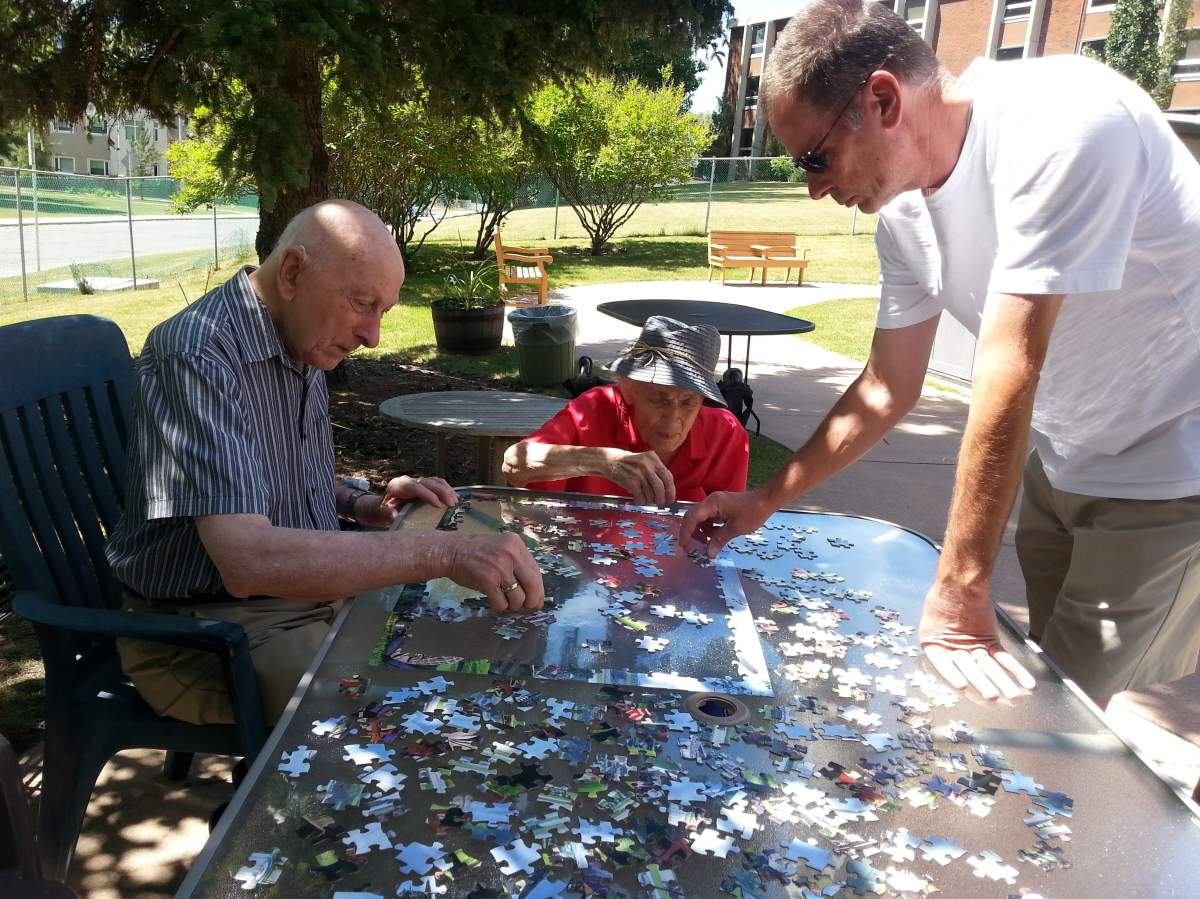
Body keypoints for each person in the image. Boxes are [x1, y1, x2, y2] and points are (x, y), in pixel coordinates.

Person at [681, 0, 1200, 706]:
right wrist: (764, 500)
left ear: (884, 99)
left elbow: (1009, 365)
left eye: (816, 156)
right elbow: (887, 386)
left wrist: (959, 585)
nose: (813, 187)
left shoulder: (1066, 120)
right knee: (1039, 684)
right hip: (1067, 456)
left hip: (1175, 461)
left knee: (1059, 721)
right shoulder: (900, 207)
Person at [106, 200, 545, 726]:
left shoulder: (300, 335)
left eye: (383, 312)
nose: (373, 335)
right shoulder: (198, 353)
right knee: (414, 719)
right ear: (292, 272)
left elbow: (264, 474)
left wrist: (364, 504)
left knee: (484, 659)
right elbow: (248, 562)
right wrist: (444, 552)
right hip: (205, 634)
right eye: (363, 303)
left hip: (304, 603)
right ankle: (293, 811)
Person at [503, 315, 749, 505]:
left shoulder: (726, 434)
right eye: (659, 399)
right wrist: (605, 462)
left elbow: (726, 529)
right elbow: (514, 464)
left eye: (688, 402)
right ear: (628, 388)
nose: (673, 418)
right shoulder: (595, 408)